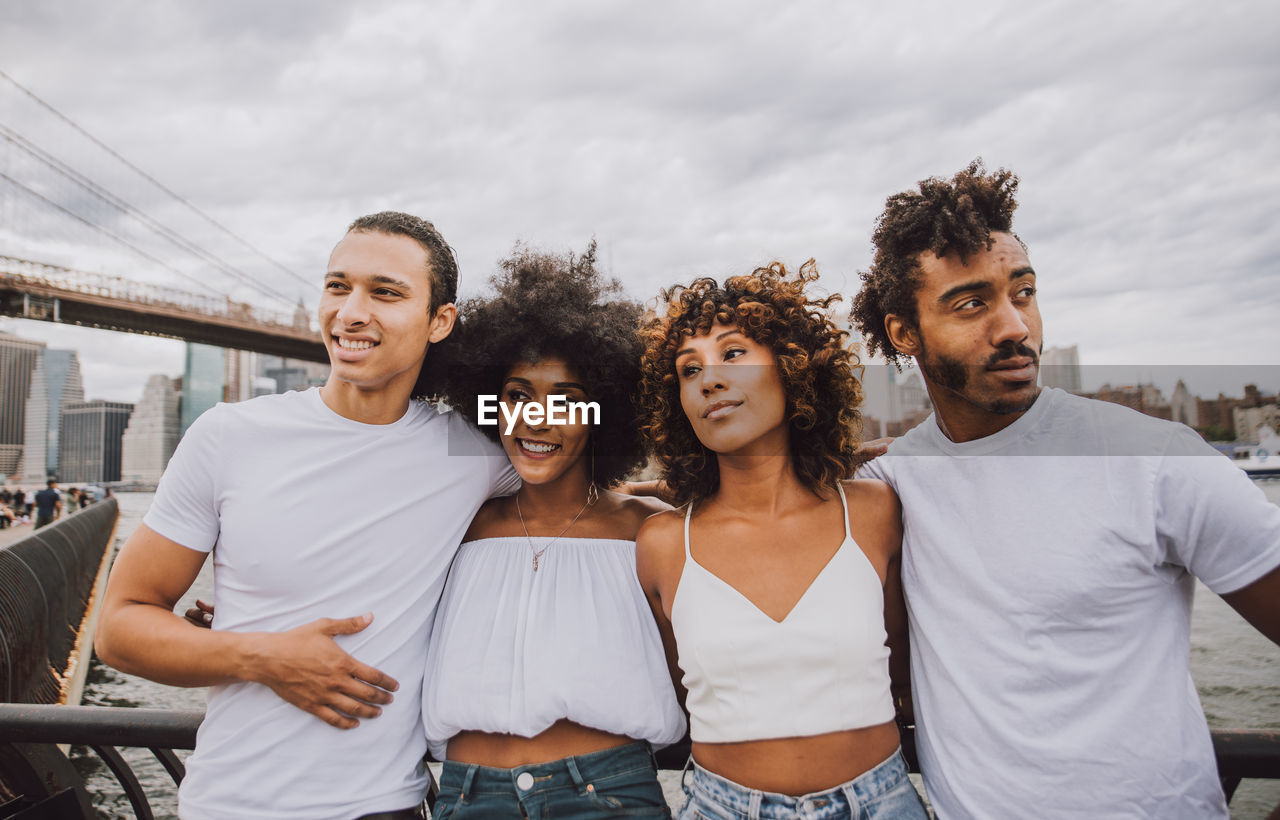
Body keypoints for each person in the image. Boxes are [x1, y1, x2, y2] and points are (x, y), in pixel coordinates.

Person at [850, 160, 1280, 819]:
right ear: (903, 332)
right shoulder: (890, 485)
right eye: (972, 304)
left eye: (1022, 293)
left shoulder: (1157, 460)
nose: (1015, 327)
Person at [95, 211, 518, 820]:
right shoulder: (231, 435)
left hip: (389, 808)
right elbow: (119, 626)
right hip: (231, 807)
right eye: (337, 285)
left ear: (440, 321)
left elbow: (597, 432)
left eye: (386, 293)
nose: (350, 312)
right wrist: (260, 655)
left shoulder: (467, 449)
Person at [635, 262, 928, 819]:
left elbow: (902, 670)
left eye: (734, 353)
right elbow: (679, 692)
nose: (709, 378)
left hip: (881, 803)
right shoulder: (664, 544)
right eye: (688, 369)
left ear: (795, 369)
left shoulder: (873, 513)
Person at [421, 241, 684, 818]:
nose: (536, 420)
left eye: (567, 402)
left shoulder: (651, 533)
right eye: (517, 397)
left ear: (603, 416)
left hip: (609, 796)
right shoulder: (455, 528)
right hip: (467, 798)